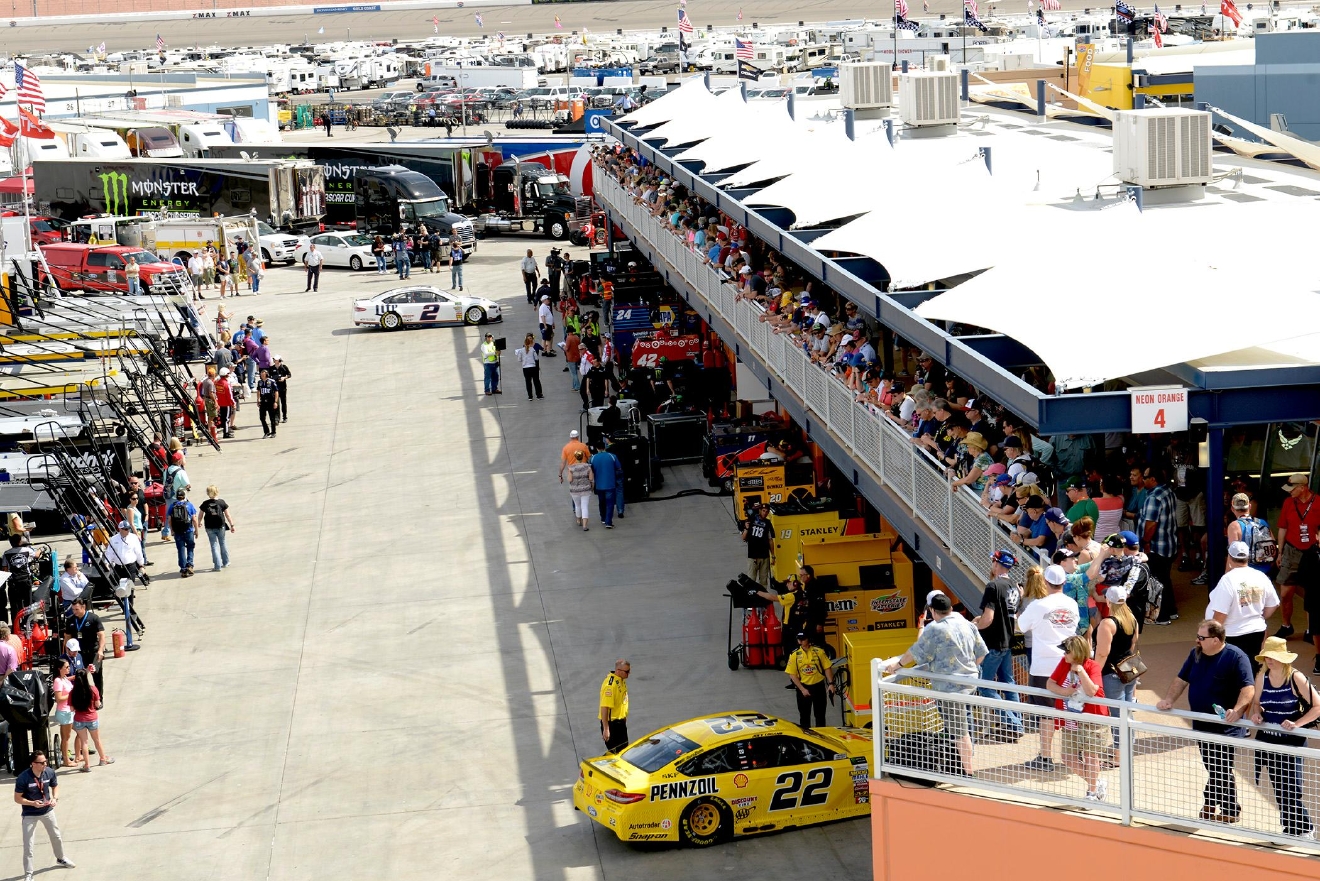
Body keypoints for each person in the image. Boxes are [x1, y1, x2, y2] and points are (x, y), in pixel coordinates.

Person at [1156, 620, 1254, 823]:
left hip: (1228, 725)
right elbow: (1181, 679)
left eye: (1201, 637)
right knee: (1213, 764)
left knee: (1221, 765)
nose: (1197, 640)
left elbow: (1248, 689)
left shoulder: (1236, 657)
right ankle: (1217, 803)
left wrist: (1237, 711)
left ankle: (1226, 808)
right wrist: (1168, 700)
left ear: (1216, 640)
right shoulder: (1196, 654)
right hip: (1201, 722)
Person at [884, 592, 986, 773]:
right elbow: (982, 653)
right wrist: (968, 671)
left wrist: (897, 665)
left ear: (932, 611)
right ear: (950, 608)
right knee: (961, 728)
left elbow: (915, 653)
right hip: (970, 685)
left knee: (959, 733)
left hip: (950, 689)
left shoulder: (935, 629)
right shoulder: (965, 623)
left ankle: (968, 773)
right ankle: (960, 766)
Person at [1248, 637, 1320, 839]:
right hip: (1269, 740)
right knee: (1279, 786)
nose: (1269, 660)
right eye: (1266, 657)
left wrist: (1297, 724)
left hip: (1292, 742)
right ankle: (1290, 829)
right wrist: (1257, 713)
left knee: (1292, 786)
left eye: (1273, 657)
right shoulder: (1262, 677)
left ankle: (1305, 828)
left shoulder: (1296, 678)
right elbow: (1257, 703)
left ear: (1283, 658)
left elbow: (1317, 707)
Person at [1015, 564, 1081, 772]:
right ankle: (1075, 753)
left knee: (1046, 713)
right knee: (1073, 708)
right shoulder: (1072, 604)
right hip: (1068, 663)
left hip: (1044, 666)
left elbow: (1020, 626)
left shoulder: (1038, 605)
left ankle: (1045, 757)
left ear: (1045, 582)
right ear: (1063, 582)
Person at [1046, 635, 1110, 801]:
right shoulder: (1064, 663)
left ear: (1076, 652)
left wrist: (1081, 671)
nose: (1064, 654)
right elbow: (1050, 684)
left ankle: (1092, 792)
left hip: (1092, 720)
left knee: (1090, 756)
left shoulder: (1092, 666)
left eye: (1067, 651)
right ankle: (1096, 783)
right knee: (1068, 757)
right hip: (1070, 719)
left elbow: (1092, 691)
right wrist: (1065, 692)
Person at [971, 549, 1024, 739]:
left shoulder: (993, 586)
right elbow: (1010, 614)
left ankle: (1014, 724)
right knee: (1008, 683)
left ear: (996, 564)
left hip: (992, 643)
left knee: (985, 687)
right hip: (1007, 641)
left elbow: (989, 618)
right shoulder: (1015, 587)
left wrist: (974, 628)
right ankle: (1015, 724)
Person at [1206, 540, 1279, 672]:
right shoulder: (1260, 576)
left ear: (1229, 557)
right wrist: (1259, 617)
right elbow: (1273, 604)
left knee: (1232, 673)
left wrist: (1209, 637)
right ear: (1248, 557)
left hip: (1232, 635)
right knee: (1252, 671)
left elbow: (1220, 615)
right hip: (1256, 632)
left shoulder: (1227, 580)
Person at [1274, 474, 1320, 651]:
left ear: (1303, 487)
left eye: (1292, 488)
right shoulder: (1288, 503)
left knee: (1312, 593)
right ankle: (1286, 625)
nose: (1289, 492)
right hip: (1292, 550)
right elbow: (1283, 527)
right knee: (1285, 592)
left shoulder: (1318, 502)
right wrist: (1280, 551)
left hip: (1312, 551)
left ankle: (1311, 629)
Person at [14, 749, 74, 879]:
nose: (45, 764)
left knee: (56, 836)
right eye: (42, 763)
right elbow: (17, 798)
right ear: (33, 764)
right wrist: (32, 803)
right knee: (28, 844)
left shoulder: (49, 772)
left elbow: (55, 786)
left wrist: (54, 798)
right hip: (29, 814)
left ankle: (60, 858)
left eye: (46, 761)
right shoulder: (23, 778)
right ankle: (29, 874)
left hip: (47, 810)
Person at [1141, 466, 1180, 624]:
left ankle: (1161, 616)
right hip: (1170, 544)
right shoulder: (1168, 491)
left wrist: (1146, 541)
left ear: (1153, 479)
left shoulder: (1154, 497)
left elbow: (1151, 525)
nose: (1143, 480)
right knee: (1165, 579)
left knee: (1156, 582)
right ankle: (1172, 611)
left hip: (1157, 546)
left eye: (1145, 477)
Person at [786, 631, 835, 730]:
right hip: (804, 688)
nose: (800, 641)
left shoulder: (819, 651)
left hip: (819, 687)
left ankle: (821, 738)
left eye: (803, 639)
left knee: (820, 716)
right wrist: (802, 689)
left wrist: (831, 684)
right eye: (799, 639)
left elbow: (827, 667)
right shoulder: (794, 654)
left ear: (808, 639)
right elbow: (792, 674)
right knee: (804, 718)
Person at [63, 599, 105, 705]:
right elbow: (67, 637)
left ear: (83, 607)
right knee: (80, 676)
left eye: (77, 609)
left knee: (97, 676)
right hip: (78, 654)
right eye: (73, 609)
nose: (74, 612)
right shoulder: (71, 620)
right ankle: (83, 699)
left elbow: (101, 635)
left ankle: (99, 699)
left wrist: (100, 650)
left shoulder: (94, 618)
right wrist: (66, 653)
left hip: (93, 652)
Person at [70, 669, 112, 772]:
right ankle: (103, 759)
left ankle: (87, 765)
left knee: (84, 742)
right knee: (97, 740)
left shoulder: (73, 692)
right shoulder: (93, 689)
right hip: (92, 718)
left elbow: (71, 709)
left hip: (79, 719)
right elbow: (98, 704)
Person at [0, 535, 36, 625]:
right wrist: (41, 549)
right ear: (20, 541)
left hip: (14, 583)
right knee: (28, 604)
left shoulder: (6, 553)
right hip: (25, 581)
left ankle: (16, 626)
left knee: (14, 606)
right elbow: (36, 555)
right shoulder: (27, 550)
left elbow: (5, 569)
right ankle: (28, 624)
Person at [200, 485, 235, 572]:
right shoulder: (221, 502)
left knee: (214, 545)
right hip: (221, 526)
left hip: (209, 527)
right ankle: (226, 562)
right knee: (222, 543)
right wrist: (232, 525)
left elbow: (200, 515)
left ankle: (217, 566)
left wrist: (199, 522)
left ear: (208, 493)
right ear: (217, 492)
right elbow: (227, 515)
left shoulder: (205, 503)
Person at [599, 659, 631, 752]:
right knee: (615, 753)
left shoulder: (621, 680)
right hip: (612, 725)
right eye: (627, 671)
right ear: (618, 671)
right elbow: (605, 707)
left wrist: (624, 717)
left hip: (620, 723)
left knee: (624, 752)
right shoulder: (610, 686)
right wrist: (606, 729)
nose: (629, 673)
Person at [166, 489, 198, 577]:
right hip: (188, 530)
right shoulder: (189, 505)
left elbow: (169, 520)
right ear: (184, 496)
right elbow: (194, 519)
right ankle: (190, 565)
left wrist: (172, 530)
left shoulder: (172, 506)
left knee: (181, 550)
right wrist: (196, 530)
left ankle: (183, 569)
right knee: (190, 547)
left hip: (177, 531)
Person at [51, 661, 74, 769]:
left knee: (67, 736)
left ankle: (70, 756)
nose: (69, 669)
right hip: (64, 712)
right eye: (66, 667)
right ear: (60, 669)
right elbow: (59, 698)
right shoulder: (58, 681)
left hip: (68, 711)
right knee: (66, 737)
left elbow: (71, 679)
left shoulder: (64, 678)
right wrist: (71, 695)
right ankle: (66, 760)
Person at [742, 504, 772, 587]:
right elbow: (744, 537)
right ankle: (751, 598)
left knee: (764, 580)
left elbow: (770, 540)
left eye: (767, 511)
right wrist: (747, 528)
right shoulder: (751, 519)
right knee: (751, 580)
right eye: (763, 510)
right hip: (753, 557)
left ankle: (763, 599)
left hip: (764, 556)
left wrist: (772, 555)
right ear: (760, 511)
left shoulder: (768, 523)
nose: (765, 513)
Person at [590, 444, 619, 529]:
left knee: (601, 502)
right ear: (605, 447)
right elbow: (619, 468)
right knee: (610, 504)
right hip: (610, 484)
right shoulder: (612, 456)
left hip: (599, 485)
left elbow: (590, 470)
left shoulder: (593, 458)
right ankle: (608, 522)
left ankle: (603, 517)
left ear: (597, 448)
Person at [567, 450, 594, 531]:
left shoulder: (571, 468)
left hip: (575, 490)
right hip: (586, 489)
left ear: (575, 457)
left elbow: (569, 479)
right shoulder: (588, 467)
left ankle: (578, 520)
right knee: (584, 506)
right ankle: (585, 525)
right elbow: (591, 478)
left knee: (577, 505)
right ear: (583, 457)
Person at [514, 333, 543, 400]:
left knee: (528, 382)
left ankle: (530, 396)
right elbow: (536, 358)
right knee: (536, 380)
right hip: (533, 367)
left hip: (525, 368)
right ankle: (538, 395)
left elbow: (519, 359)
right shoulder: (532, 349)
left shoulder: (521, 350)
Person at [257, 368, 280, 438]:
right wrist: (258, 399)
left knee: (272, 417)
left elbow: (276, 391)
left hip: (270, 401)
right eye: (261, 375)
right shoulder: (260, 382)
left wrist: (275, 402)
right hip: (263, 401)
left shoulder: (272, 381)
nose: (262, 376)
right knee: (262, 417)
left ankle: (273, 432)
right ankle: (266, 431)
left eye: (263, 375)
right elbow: (258, 390)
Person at [272, 355, 291, 423]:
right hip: (275, 388)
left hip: (282, 387)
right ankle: (277, 418)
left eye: (276, 360)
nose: (274, 361)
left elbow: (289, 374)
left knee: (283, 402)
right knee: (276, 403)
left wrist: (284, 378)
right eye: (274, 359)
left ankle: (285, 417)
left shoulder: (284, 367)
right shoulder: (271, 368)